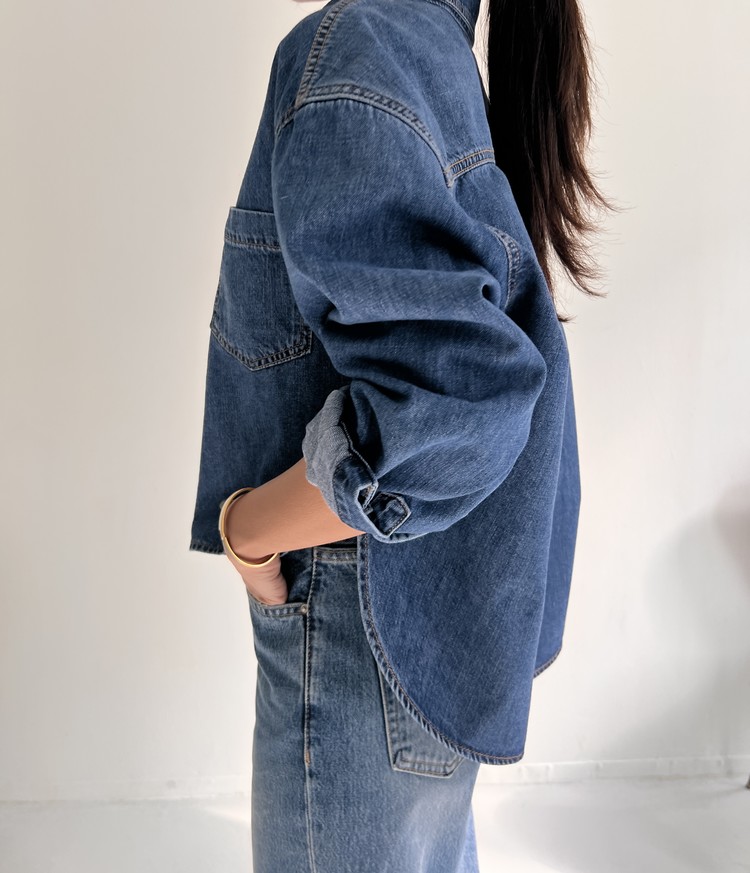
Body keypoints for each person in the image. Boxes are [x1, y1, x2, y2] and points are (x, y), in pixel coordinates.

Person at [189, 0, 615, 869]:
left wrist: (249, 530)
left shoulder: (356, 50)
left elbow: (459, 403)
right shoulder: (421, 51)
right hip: (418, 613)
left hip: (358, 619)